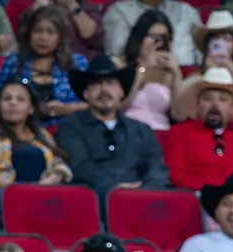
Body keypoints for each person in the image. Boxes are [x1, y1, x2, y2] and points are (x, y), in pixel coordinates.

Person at [56, 60, 167, 201]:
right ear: (85, 93)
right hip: (91, 203)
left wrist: (145, 191)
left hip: (140, 202)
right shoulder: (71, 127)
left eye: (110, 83)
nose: (104, 89)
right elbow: (80, 168)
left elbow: (156, 168)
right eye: (96, 83)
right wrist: (115, 191)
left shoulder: (141, 130)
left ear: (122, 92)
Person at [0, 80, 73, 192]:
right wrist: (16, 191)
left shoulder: (41, 134)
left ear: (31, 108)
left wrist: (51, 181)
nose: (13, 103)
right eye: (7, 99)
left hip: (39, 193)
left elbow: (60, 165)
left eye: (20, 99)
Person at [160, 66, 233, 195]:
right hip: (194, 196)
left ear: (232, 107)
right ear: (197, 105)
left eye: (223, 99)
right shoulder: (180, 133)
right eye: (207, 99)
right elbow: (174, 173)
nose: (215, 105)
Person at [0, 6, 90, 122]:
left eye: (51, 32)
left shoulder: (77, 63)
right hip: (23, 127)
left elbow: (93, 104)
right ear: (29, 34)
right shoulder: (14, 61)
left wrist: (66, 109)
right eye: (38, 31)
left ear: (60, 37)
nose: (43, 38)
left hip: (69, 127)